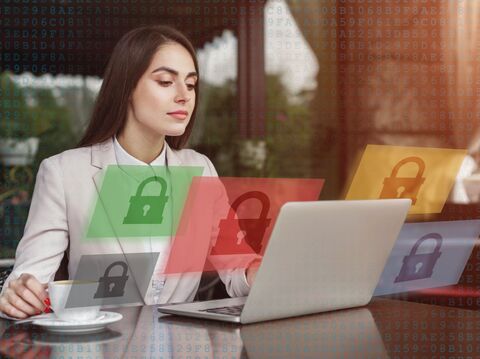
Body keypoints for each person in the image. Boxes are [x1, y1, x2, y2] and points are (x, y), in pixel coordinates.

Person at [0, 25, 259, 319]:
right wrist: (19, 294)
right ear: (127, 89)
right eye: (165, 81)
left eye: (190, 84)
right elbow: (31, 279)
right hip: (98, 346)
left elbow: (237, 267)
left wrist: (262, 271)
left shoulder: (200, 169)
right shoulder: (64, 173)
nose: (184, 95)